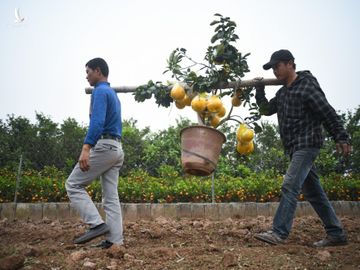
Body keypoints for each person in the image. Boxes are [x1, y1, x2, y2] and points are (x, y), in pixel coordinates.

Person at [253, 49, 351, 247]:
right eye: (272, 68)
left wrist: (340, 135)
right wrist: (260, 89)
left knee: (290, 184)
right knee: (314, 193)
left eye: (277, 66)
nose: (274, 71)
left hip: (307, 144)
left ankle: (279, 232)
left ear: (290, 64)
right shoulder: (282, 93)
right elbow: (265, 110)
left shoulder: (306, 87)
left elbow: (327, 112)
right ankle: (336, 233)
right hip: (293, 147)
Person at [66, 58, 124, 249]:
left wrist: (86, 148)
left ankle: (97, 224)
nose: (86, 76)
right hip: (117, 148)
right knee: (111, 198)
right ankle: (115, 242)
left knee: (73, 184)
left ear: (98, 71)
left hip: (105, 146)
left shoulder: (100, 91)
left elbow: (97, 123)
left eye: (88, 72)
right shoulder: (113, 94)